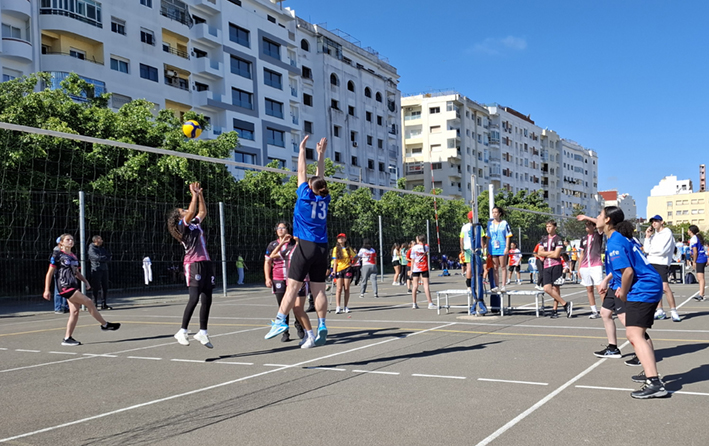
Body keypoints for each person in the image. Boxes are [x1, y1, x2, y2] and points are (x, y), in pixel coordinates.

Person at [265, 135, 330, 348]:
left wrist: (302, 150)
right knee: (319, 290)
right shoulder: (324, 198)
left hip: (305, 246)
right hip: (322, 248)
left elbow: (301, 171)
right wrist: (320, 155)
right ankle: (322, 325)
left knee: (292, 286)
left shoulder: (304, 197)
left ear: (309, 187)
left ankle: (280, 321)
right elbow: (320, 178)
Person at [597, 206, 667, 399]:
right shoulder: (618, 238)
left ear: (608, 220)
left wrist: (624, 292)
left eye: (599, 215)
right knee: (637, 332)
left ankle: (654, 383)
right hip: (647, 284)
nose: (597, 218)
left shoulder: (615, 241)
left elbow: (628, 271)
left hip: (644, 287)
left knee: (633, 333)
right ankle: (650, 372)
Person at [42, 234, 120, 346]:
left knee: (74, 312)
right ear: (62, 242)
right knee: (88, 301)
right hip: (64, 286)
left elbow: (77, 273)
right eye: (68, 239)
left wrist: (86, 281)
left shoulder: (73, 256)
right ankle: (104, 324)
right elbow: (49, 273)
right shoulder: (58, 255)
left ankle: (67, 338)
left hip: (73, 285)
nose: (71, 241)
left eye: (72, 239)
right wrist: (46, 289)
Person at [167, 182, 215, 349]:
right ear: (178, 217)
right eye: (183, 211)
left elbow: (202, 212)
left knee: (207, 298)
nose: (186, 210)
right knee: (194, 298)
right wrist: (193, 195)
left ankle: (203, 332)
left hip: (205, 262)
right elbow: (193, 211)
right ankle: (182, 331)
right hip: (193, 264)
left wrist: (200, 194)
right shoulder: (182, 226)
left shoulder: (195, 223)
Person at [264, 221, 305, 342]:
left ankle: (299, 325)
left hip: (293, 277)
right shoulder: (272, 245)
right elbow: (268, 261)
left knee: (296, 305)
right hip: (278, 277)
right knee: (282, 304)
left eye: (283, 227)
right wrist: (267, 278)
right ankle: (285, 332)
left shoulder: (294, 243)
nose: (280, 229)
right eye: (278, 228)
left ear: (288, 230)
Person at [643, 215, 681, 322]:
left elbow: (662, 250)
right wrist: (647, 237)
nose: (654, 223)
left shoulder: (667, 233)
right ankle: (660, 310)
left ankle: (673, 311)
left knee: (665, 287)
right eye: (652, 222)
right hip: (651, 262)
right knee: (656, 287)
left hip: (662, 263)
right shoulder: (654, 235)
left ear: (662, 222)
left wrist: (651, 251)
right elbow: (646, 249)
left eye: (656, 221)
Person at [537, 220, 572, 318]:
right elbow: (539, 252)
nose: (548, 228)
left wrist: (546, 253)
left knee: (556, 288)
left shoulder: (558, 239)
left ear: (554, 227)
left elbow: (556, 255)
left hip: (556, 265)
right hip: (546, 266)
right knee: (547, 288)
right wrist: (550, 253)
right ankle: (565, 304)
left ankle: (554, 309)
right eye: (547, 226)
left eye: (550, 226)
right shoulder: (543, 239)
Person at [576, 216, 604, 319]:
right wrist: (579, 268)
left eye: (589, 225)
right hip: (585, 266)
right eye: (586, 226)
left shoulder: (598, 235)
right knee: (589, 288)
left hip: (595, 265)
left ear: (594, 226)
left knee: (600, 288)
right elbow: (582, 254)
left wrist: (586, 217)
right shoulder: (583, 239)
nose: (587, 227)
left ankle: (606, 310)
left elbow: (600, 223)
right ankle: (594, 310)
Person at [487, 206, 512, 292]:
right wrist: (487, 248)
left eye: (496, 212)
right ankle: (497, 285)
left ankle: (503, 285)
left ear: (499, 213)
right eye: (493, 212)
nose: (494, 214)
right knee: (495, 267)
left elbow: (508, 235)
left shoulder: (504, 223)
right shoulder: (490, 224)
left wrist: (507, 247)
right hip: (493, 247)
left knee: (503, 266)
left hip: (502, 246)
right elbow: (488, 237)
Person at [407, 234, 435, 309]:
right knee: (426, 285)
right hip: (424, 267)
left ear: (418, 240)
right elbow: (427, 254)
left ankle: (414, 303)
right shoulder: (426, 246)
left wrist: (411, 269)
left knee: (415, 286)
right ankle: (430, 303)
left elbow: (412, 259)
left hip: (416, 268)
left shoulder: (414, 248)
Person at [331, 233, 356, 313]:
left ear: (345, 239)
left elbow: (356, 257)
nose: (340, 239)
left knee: (346, 288)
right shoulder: (336, 249)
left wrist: (352, 263)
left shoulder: (348, 249)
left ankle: (346, 306)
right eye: (339, 238)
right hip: (339, 269)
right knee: (339, 288)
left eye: (342, 238)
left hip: (347, 269)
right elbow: (335, 261)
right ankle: (338, 306)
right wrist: (334, 271)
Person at [88, 235, 112, 310]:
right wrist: (103, 258)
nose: (102, 241)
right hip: (96, 269)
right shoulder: (92, 248)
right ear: (96, 240)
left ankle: (104, 304)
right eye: (100, 239)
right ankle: (94, 304)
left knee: (105, 286)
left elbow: (109, 256)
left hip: (104, 269)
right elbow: (95, 258)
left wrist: (103, 258)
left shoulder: (102, 248)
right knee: (96, 286)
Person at [688, 224, 706, 302]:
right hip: (701, 258)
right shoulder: (696, 238)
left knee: (700, 277)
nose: (687, 231)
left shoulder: (694, 239)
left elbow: (695, 252)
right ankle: (701, 294)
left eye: (688, 230)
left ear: (691, 231)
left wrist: (694, 261)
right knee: (700, 277)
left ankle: (701, 295)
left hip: (700, 259)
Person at [51, 237, 69, 314]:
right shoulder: (56, 252)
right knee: (58, 290)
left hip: (66, 273)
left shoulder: (66, 252)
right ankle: (58, 307)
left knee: (66, 289)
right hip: (59, 273)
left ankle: (65, 306)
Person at [460, 210, 475, 295]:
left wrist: (462, 249)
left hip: (467, 248)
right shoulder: (477, 226)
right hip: (474, 248)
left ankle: (469, 286)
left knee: (468, 266)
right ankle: (474, 283)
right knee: (477, 266)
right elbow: (481, 238)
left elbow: (461, 239)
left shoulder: (464, 227)